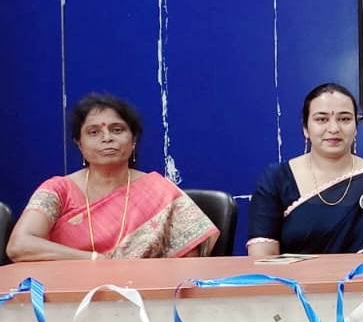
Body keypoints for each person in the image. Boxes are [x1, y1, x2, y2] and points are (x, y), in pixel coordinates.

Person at [7, 93, 219, 261]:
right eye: (94, 132)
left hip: (144, 293)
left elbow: (189, 258)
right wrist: (93, 260)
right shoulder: (58, 190)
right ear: (79, 144)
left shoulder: (160, 191)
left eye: (117, 130)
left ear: (133, 141)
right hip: (70, 293)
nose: (107, 138)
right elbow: (19, 246)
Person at [247, 83, 363, 255]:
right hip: (293, 276)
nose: (334, 128)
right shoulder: (277, 179)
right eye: (321, 119)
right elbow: (262, 258)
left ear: (356, 127)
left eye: (344, 119)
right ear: (305, 128)